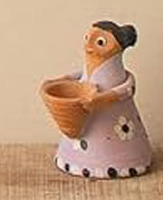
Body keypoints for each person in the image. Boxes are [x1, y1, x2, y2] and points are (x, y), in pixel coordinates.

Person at [40, 20, 151, 179]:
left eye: (100, 42)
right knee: (82, 130)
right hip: (85, 113)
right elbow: (81, 75)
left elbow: (127, 89)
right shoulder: (88, 67)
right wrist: (59, 80)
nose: (88, 45)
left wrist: (103, 98)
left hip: (116, 120)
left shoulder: (121, 77)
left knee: (115, 132)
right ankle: (76, 160)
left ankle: (124, 162)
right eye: (87, 38)